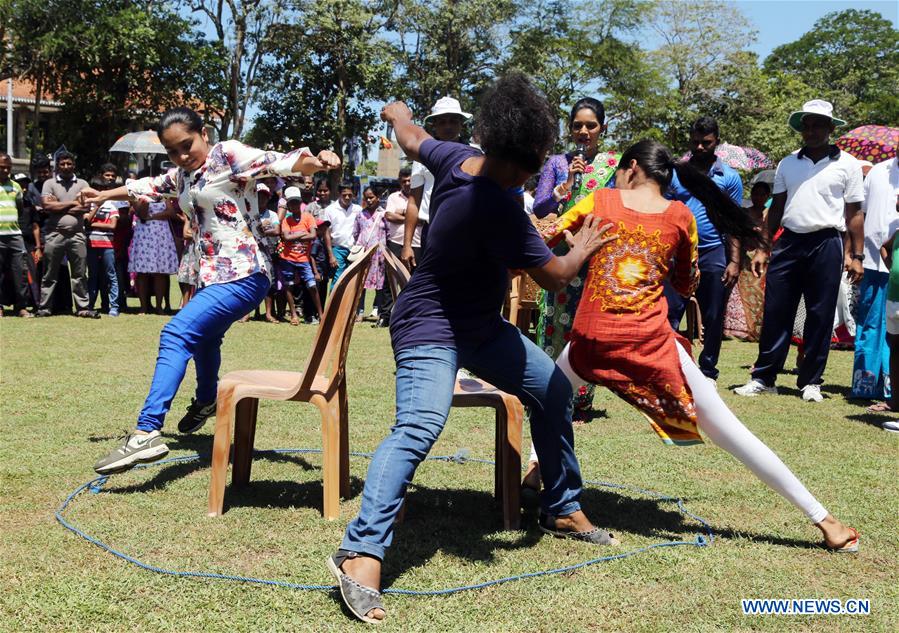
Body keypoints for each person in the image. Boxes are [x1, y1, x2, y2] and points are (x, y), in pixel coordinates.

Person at [327, 73, 619, 625]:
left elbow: (412, 137)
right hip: (429, 325)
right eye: (535, 163)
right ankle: (361, 551)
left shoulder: (457, 157)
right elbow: (556, 277)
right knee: (418, 425)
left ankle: (561, 506)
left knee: (552, 390)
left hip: (481, 327)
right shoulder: (502, 209)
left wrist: (396, 111)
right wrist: (580, 246)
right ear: (522, 158)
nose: (537, 171)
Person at [540, 138, 859, 561]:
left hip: (592, 337)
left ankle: (532, 474)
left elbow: (547, 236)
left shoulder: (598, 199)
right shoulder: (680, 215)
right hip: (648, 344)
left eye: (619, 168)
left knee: (548, 400)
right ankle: (824, 520)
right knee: (730, 432)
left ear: (630, 167)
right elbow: (686, 283)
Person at [84, 106, 339, 474]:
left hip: (245, 273)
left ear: (204, 134)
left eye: (187, 145)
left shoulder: (227, 155)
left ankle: (146, 433)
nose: (182, 156)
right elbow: (145, 187)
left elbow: (279, 162)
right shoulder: (184, 176)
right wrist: (100, 195)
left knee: (176, 333)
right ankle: (205, 401)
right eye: (172, 151)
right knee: (204, 339)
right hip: (214, 277)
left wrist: (317, 160)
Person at [735, 100, 864, 403]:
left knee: (820, 315)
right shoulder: (787, 163)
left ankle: (811, 382)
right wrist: (763, 249)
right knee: (777, 310)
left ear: (831, 129)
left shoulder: (848, 164)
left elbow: (854, 214)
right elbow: (776, 208)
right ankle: (764, 377)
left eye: (819, 124)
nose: (812, 130)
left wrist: (856, 256)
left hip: (827, 242)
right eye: (807, 124)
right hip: (790, 241)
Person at [530, 98, 620, 426]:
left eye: (591, 125)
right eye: (577, 125)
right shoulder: (556, 162)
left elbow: (618, 207)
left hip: (596, 254)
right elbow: (540, 207)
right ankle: (545, 392)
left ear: (602, 128)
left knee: (586, 326)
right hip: (560, 255)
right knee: (553, 322)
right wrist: (563, 189)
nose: (584, 132)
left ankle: (581, 401)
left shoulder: (615, 165)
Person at [663, 117, 744, 385]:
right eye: (695, 141)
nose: (699, 147)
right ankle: (668, 366)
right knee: (670, 311)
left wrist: (734, 260)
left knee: (713, 314)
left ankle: (708, 371)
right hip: (678, 252)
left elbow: (733, 221)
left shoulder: (729, 177)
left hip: (713, 252)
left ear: (716, 142)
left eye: (705, 142)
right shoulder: (675, 174)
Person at [401, 96, 470, 268]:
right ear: (434, 126)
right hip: (432, 233)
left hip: (466, 233)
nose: (448, 126)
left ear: (461, 123)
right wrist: (407, 245)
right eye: (442, 122)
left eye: (453, 121)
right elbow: (414, 202)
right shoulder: (421, 157)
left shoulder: (474, 154)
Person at [852, 155, 899, 406]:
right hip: (872, 260)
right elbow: (861, 213)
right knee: (869, 325)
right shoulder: (878, 172)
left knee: (895, 333)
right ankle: (865, 385)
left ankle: (892, 392)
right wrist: (854, 255)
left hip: (897, 264)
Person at [36, 151, 97, 318]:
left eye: (68, 163)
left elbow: (85, 208)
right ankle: (45, 307)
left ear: (74, 165)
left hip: (77, 234)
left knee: (79, 274)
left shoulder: (83, 183)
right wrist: (72, 203)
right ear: (57, 166)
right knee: (49, 273)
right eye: (62, 164)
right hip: (55, 234)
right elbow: (48, 207)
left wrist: (59, 204)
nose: (65, 167)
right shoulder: (49, 183)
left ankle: (82, 308)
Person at [723, 181, 770, 341]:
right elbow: (734, 232)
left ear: (767, 196)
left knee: (760, 293)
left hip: (762, 258)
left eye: (762, 194)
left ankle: (758, 328)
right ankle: (739, 328)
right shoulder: (744, 213)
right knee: (740, 292)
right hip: (744, 258)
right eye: (755, 194)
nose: (758, 197)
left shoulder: (770, 214)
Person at [278, 185, 322, 325]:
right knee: (289, 286)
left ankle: (321, 314)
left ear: (300, 202)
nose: (295, 205)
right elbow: (286, 238)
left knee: (312, 286)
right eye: (291, 203)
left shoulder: (308, 217)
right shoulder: (286, 220)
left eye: (296, 202)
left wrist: (294, 235)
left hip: (303, 259)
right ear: (289, 205)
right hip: (288, 258)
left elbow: (313, 235)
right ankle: (293, 315)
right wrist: (303, 233)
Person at [129, 197, 179, 314]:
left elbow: (171, 212)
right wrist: (147, 200)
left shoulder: (163, 196)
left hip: (161, 234)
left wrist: (152, 217)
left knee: (160, 272)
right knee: (141, 273)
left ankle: (159, 306)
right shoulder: (138, 195)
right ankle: (143, 307)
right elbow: (141, 214)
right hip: (144, 235)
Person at [380, 167, 415, 327]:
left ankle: (412, 315)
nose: (407, 183)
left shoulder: (420, 196)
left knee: (415, 280)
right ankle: (385, 316)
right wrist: (409, 216)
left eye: (409, 180)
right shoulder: (394, 197)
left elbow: (421, 219)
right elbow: (388, 216)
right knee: (390, 279)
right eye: (404, 181)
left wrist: (401, 214)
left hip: (416, 244)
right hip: (395, 242)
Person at [0, 153, 35, 318]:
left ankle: (21, 307)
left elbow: (20, 209)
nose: (5, 170)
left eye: (8, 167)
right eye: (2, 167)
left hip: (14, 235)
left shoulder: (16, 187)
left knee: (20, 272)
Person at [84, 178, 124, 316]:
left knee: (111, 276)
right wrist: (96, 207)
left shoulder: (112, 206)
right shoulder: (88, 206)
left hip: (107, 245)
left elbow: (112, 226)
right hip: (91, 245)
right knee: (92, 276)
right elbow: (86, 222)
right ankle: (89, 305)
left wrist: (93, 224)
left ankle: (114, 307)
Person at [353, 186, 388, 321]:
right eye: (366, 197)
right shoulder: (360, 215)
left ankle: (377, 309)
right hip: (364, 254)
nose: (368, 200)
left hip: (380, 255)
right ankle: (359, 311)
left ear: (378, 197)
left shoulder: (384, 214)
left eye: (371, 197)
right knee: (361, 283)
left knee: (380, 283)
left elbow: (388, 232)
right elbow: (356, 233)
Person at [878, 206, 899, 432]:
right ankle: (895, 400)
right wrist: (893, 270)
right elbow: (885, 247)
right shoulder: (898, 233)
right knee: (895, 347)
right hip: (894, 298)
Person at [324, 182, 361, 286]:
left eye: (350, 194)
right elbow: (326, 233)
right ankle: (334, 302)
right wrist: (331, 255)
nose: (347, 197)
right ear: (339, 194)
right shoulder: (330, 210)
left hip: (354, 249)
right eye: (344, 195)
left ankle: (349, 303)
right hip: (338, 249)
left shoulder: (358, 209)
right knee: (337, 280)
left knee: (353, 280)